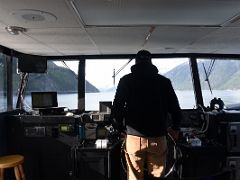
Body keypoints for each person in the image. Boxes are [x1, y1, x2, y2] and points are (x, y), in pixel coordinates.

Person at [111, 50, 182, 180]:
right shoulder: (164, 82)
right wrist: (176, 128)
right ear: (151, 62)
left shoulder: (126, 80)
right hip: (158, 138)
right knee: (157, 176)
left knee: (134, 176)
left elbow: (117, 109)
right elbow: (175, 109)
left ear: (136, 62)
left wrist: (120, 129)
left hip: (134, 138)